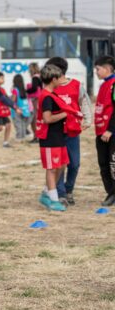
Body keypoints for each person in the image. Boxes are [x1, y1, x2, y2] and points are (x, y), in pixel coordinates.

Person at [44, 56, 93, 206]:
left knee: (74, 164)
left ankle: (69, 189)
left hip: (72, 131)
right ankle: (61, 194)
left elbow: (84, 102)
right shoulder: (51, 87)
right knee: (59, 164)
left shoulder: (76, 85)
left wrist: (87, 120)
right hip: (56, 132)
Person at [35, 64, 82, 212]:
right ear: (53, 79)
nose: (63, 79)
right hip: (50, 138)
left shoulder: (52, 94)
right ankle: (53, 199)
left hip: (59, 136)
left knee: (61, 165)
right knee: (52, 169)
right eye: (60, 77)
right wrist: (66, 114)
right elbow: (47, 118)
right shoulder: (47, 96)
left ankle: (46, 192)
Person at [93, 55, 115, 206]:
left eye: (98, 69)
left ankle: (113, 194)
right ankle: (110, 192)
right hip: (100, 132)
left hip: (110, 133)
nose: (96, 71)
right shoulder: (103, 85)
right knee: (103, 163)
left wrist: (110, 129)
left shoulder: (114, 84)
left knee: (113, 164)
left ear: (107, 69)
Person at [11, 74, 33, 142]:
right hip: (24, 110)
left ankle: (19, 138)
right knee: (23, 124)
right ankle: (23, 137)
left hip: (16, 110)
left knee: (18, 124)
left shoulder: (15, 90)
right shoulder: (24, 90)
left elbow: (13, 101)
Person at [26, 62, 43, 143]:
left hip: (36, 100)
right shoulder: (40, 76)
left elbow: (34, 88)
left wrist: (25, 91)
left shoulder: (35, 78)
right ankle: (38, 136)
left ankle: (36, 137)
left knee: (34, 119)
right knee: (38, 118)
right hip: (41, 98)